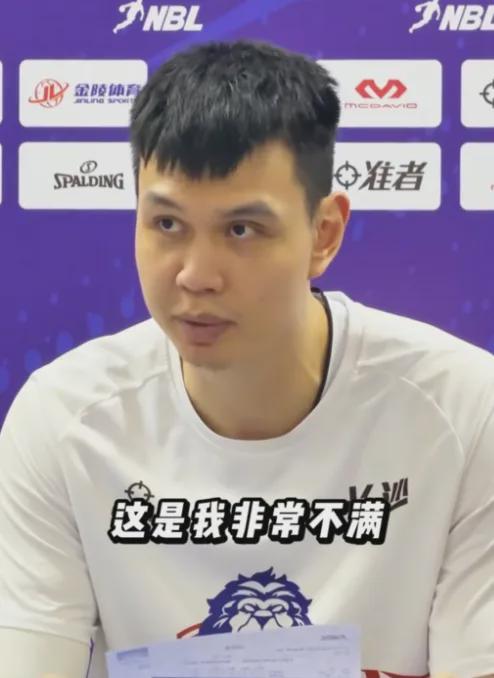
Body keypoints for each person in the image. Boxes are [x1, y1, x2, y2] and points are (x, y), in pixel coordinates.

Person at [0, 39, 493, 678]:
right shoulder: (63, 419)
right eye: (167, 224)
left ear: (324, 234)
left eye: (241, 230)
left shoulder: (465, 410)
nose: (197, 276)